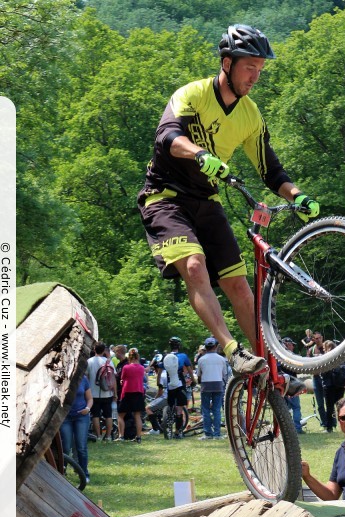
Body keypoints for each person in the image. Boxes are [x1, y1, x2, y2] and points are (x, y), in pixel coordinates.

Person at [137, 24, 319, 386]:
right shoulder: (192, 94)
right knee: (194, 263)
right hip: (165, 197)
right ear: (227, 63)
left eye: (260, 70)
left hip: (207, 201)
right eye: (249, 67)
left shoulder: (251, 116)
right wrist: (200, 153)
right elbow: (167, 138)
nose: (255, 77)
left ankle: (274, 368)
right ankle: (232, 349)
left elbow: (271, 170)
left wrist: (298, 196)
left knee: (239, 285)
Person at [60, 375, 93, 483]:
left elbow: (90, 399)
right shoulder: (62, 378)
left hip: (81, 417)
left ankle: (84, 474)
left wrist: (87, 409)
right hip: (66, 417)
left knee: (81, 447)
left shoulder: (83, 379)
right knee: (65, 446)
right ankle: (61, 472)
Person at [197, 337, 228, 439]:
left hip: (205, 385)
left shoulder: (201, 359)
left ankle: (207, 433)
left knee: (205, 410)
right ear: (216, 346)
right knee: (216, 410)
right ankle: (217, 433)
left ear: (206, 347)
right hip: (218, 384)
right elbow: (224, 374)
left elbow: (199, 375)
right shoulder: (222, 359)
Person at [86, 342, 117, 441]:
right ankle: (108, 436)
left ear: (94, 349)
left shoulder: (89, 361)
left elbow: (86, 377)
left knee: (95, 415)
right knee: (108, 415)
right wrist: (115, 393)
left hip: (93, 393)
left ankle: (98, 436)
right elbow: (113, 379)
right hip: (107, 392)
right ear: (104, 350)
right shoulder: (109, 362)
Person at [117, 348, 146, 443]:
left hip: (127, 392)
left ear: (129, 357)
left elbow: (122, 379)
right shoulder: (142, 368)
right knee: (137, 416)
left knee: (120, 415)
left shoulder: (126, 367)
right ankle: (138, 437)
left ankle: (121, 436)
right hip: (138, 393)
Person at [321, 340, 345, 433]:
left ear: (327, 348)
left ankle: (329, 427)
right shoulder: (340, 356)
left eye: (324, 348)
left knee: (329, 407)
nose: (323, 350)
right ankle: (343, 425)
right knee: (340, 406)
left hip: (329, 385)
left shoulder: (326, 357)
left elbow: (322, 371)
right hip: (339, 384)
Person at [281, 337, 305, 434]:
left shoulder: (278, 356)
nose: (293, 346)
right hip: (292, 385)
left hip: (282, 384)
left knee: (285, 408)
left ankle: (287, 430)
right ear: (287, 344)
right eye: (292, 344)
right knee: (295, 407)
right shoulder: (292, 356)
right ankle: (297, 428)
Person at [307, 331, 327, 427]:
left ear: (322, 338)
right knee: (320, 404)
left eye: (319, 338)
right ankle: (324, 423)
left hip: (327, 378)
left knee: (329, 402)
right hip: (316, 378)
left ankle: (332, 423)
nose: (318, 340)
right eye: (316, 338)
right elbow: (307, 363)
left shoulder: (327, 348)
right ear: (313, 339)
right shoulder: (311, 350)